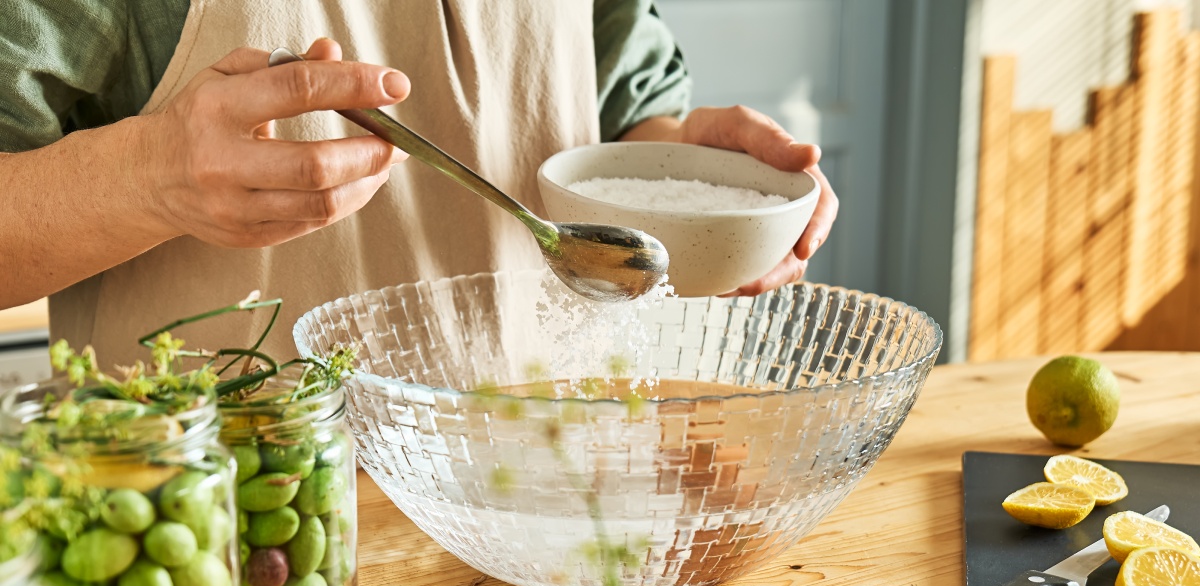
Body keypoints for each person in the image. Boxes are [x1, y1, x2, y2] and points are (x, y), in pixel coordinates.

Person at [0, 1, 838, 366]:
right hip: (230, 553)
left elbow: (621, 114)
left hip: (548, 513)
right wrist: (148, 178)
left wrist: (693, 173)